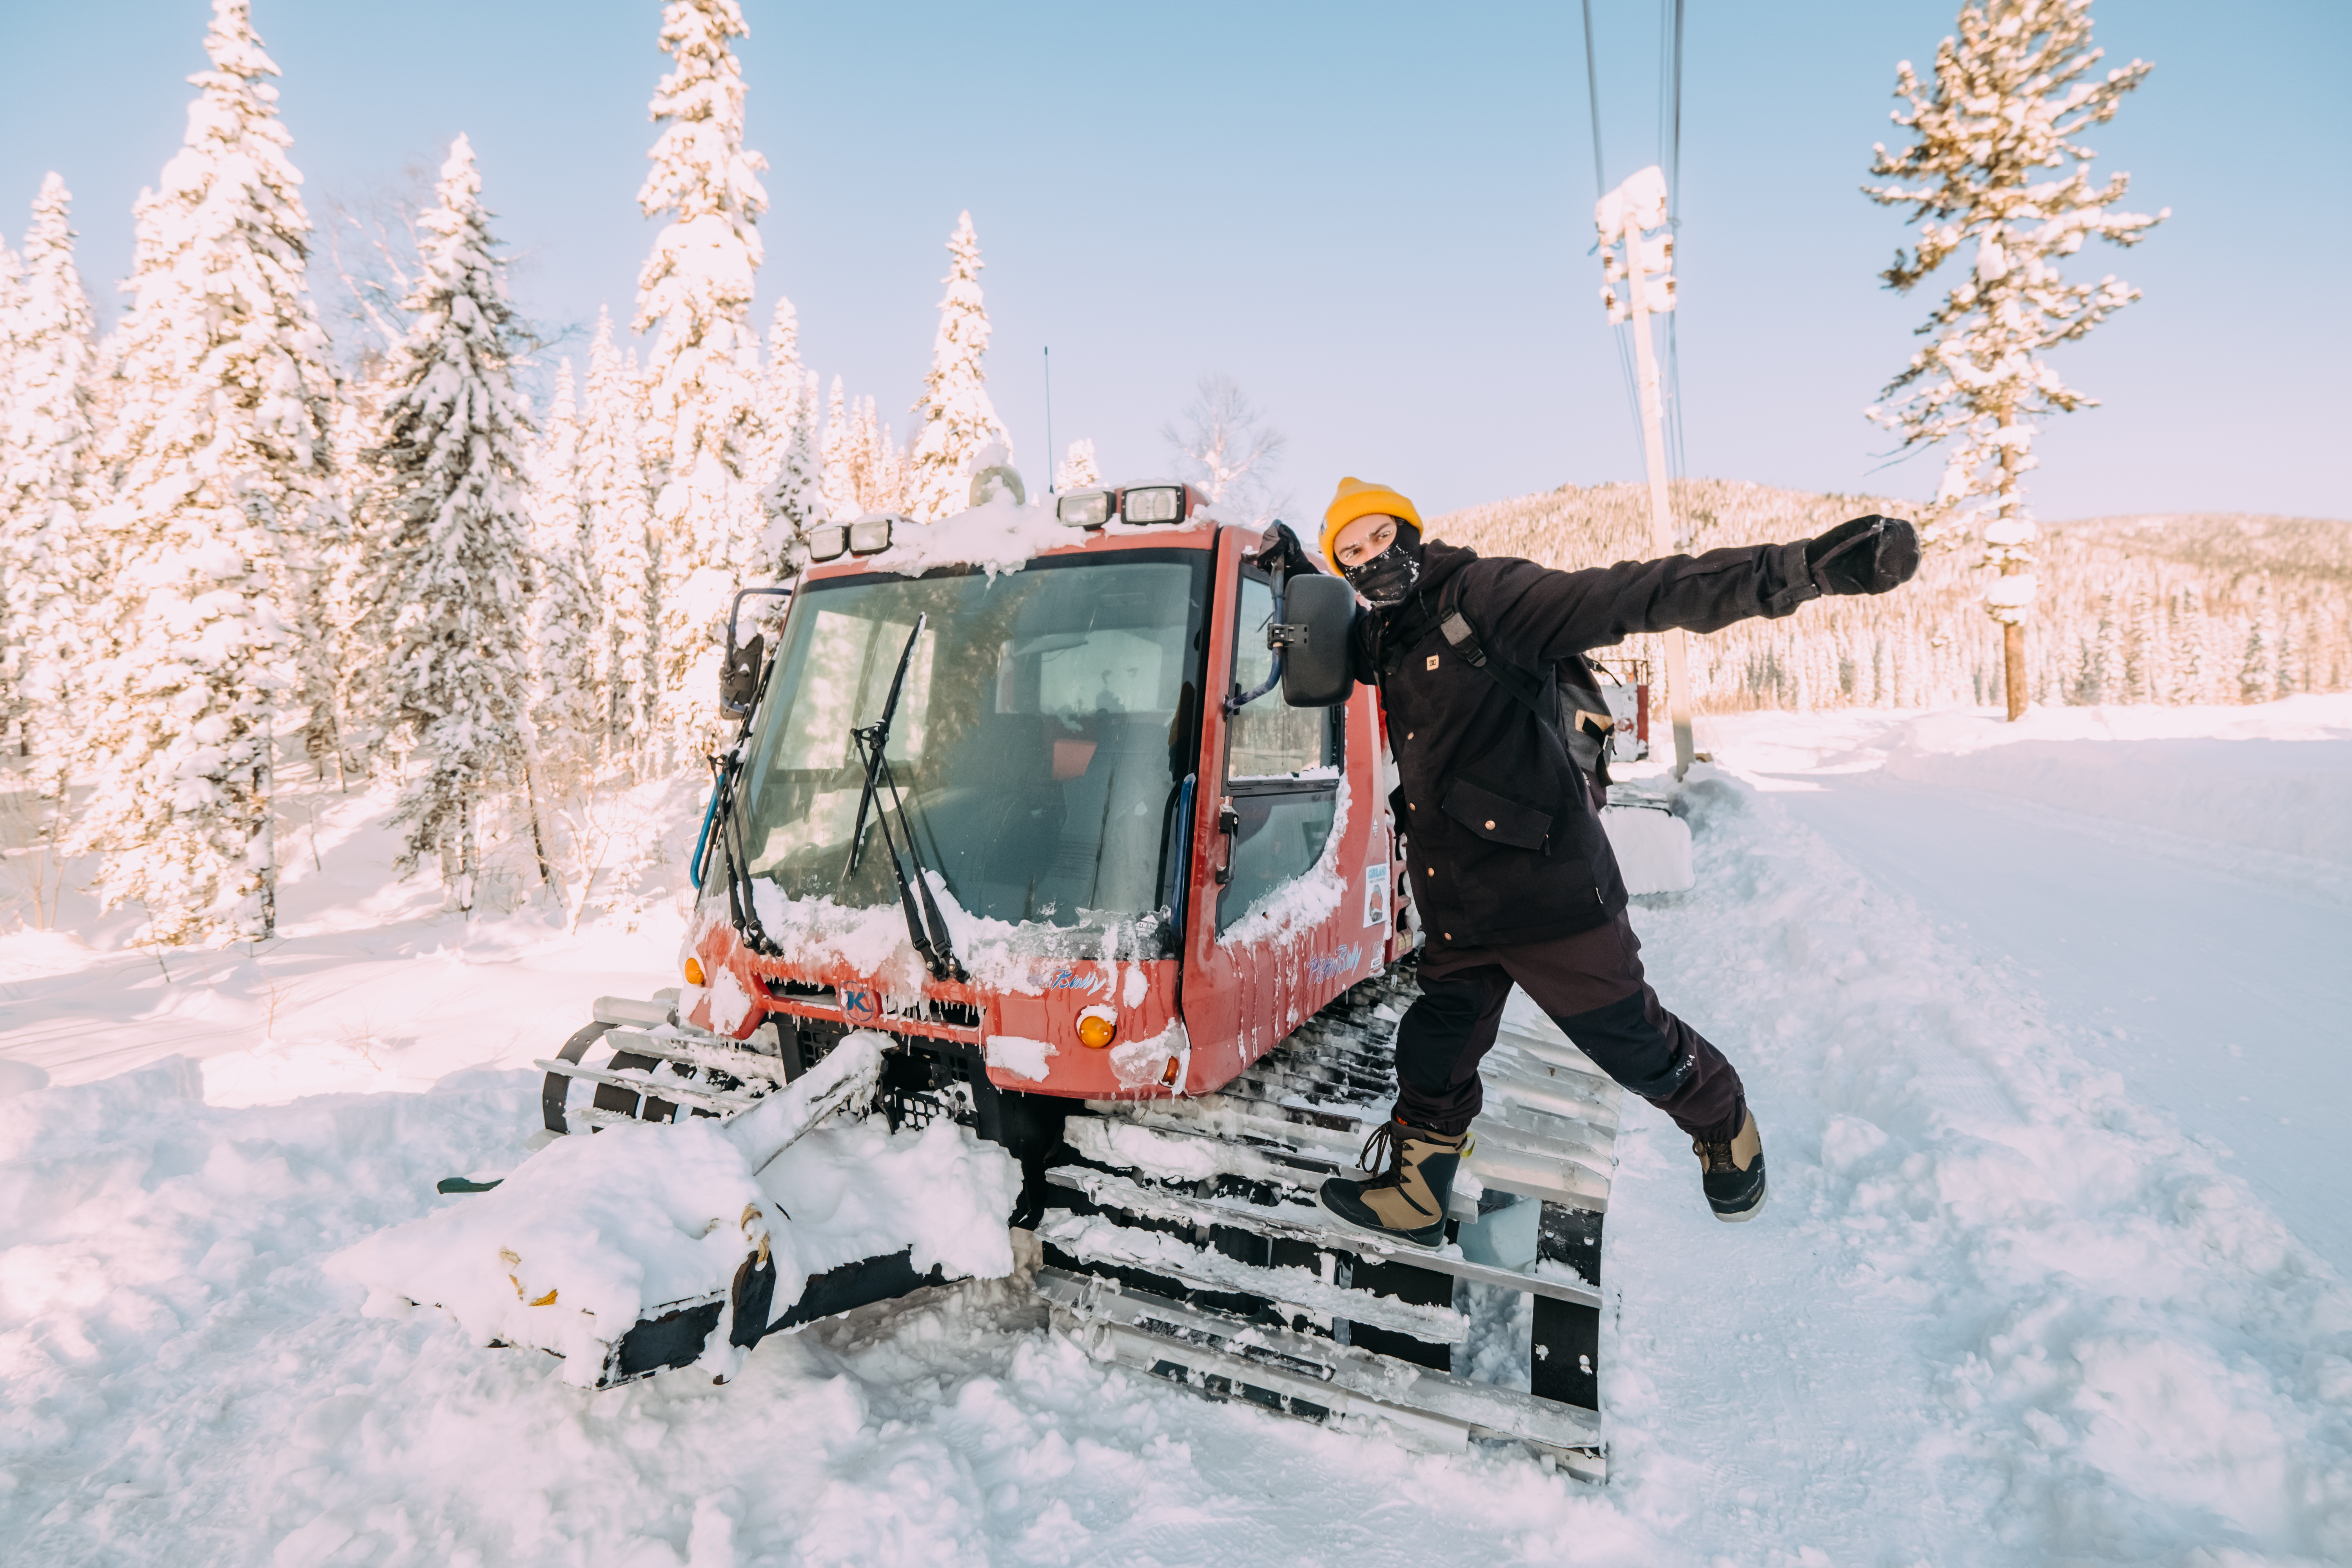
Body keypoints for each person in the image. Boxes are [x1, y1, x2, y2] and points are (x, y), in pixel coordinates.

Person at [1310, 475, 1919, 1243]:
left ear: (1410, 532)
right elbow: (1333, 644)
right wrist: (1289, 573)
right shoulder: (1388, 636)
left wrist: (1799, 570)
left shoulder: (1488, 595)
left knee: (1628, 1042)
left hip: (1546, 889)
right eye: (1351, 552)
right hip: (1457, 899)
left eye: (1380, 536)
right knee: (1436, 1047)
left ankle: (1723, 1117)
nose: (1371, 556)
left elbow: (1636, 593)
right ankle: (1417, 1192)